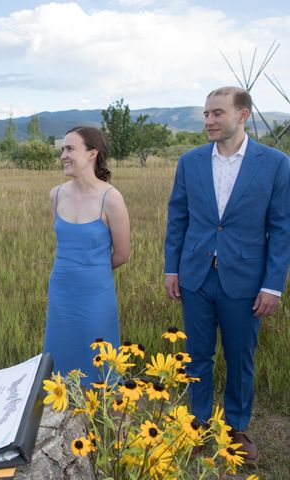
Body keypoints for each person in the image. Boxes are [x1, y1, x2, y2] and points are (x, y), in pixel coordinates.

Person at [164, 86, 290, 463]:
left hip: (246, 278)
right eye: (205, 114)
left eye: (217, 113)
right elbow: (178, 218)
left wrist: (272, 284)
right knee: (197, 355)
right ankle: (198, 425)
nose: (208, 121)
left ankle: (236, 428)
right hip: (196, 275)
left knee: (240, 357)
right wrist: (172, 268)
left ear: (242, 115)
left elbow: (282, 227)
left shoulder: (275, 163)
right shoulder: (190, 161)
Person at [43, 126, 130, 382]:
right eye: (63, 150)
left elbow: (122, 254)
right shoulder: (56, 195)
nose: (63, 156)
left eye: (70, 149)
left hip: (95, 296)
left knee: (98, 363)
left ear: (92, 153)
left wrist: (92, 271)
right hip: (61, 292)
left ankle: (100, 416)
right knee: (60, 360)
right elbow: (63, 245)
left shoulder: (111, 198)